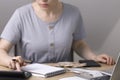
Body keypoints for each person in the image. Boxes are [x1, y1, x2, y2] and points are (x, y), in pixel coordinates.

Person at [0, 0, 115, 71]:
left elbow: (78, 43)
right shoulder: (21, 14)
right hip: (32, 76)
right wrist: (10, 60)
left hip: (65, 75)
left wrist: (94, 57)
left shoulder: (73, 13)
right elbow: (1, 49)